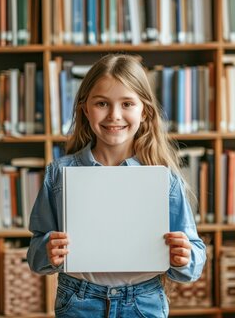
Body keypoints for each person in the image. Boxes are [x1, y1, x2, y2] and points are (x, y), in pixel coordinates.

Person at [27, 54, 206, 318]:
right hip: (78, 300)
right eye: (102, 103)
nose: (114, 115)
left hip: (144, 302)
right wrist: (47, 251)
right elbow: (36, 253)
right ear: (85, 108)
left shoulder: (163, 178)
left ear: (144, 111)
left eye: (127, 104)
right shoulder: (60, 174)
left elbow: (194, 257)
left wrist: (184, 256)